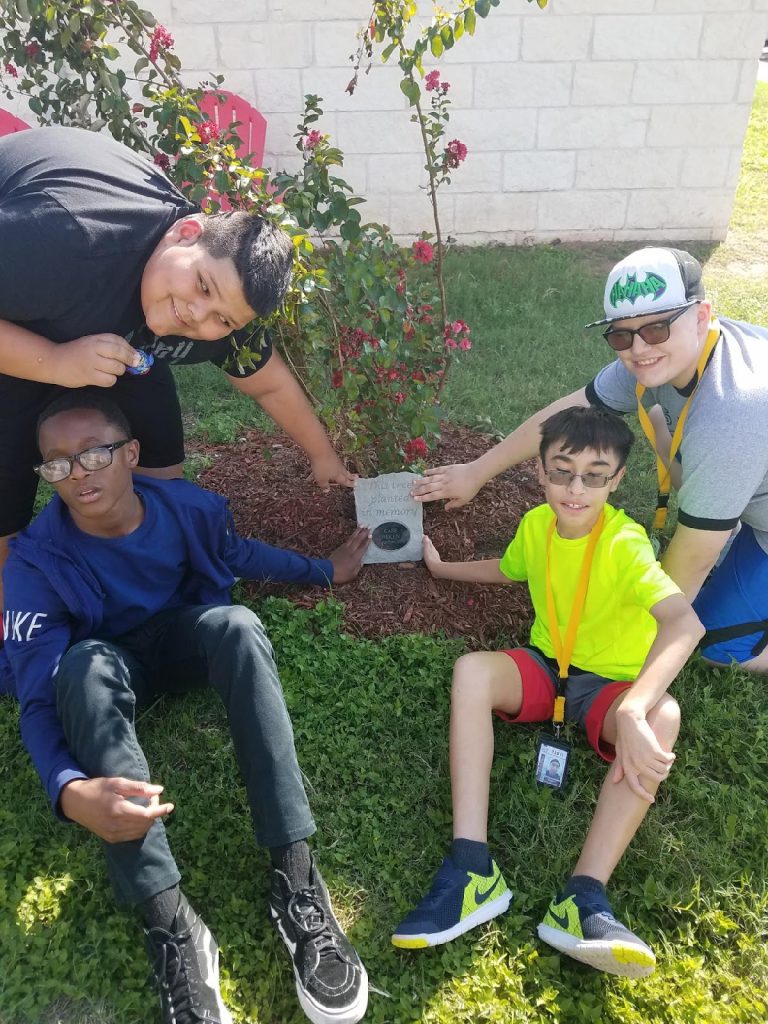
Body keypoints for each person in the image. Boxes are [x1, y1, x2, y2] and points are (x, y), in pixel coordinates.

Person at [1, 392, 371, 1024]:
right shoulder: (35, 564)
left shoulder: (190, 509)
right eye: (57, 464)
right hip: (107, 666)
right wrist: (69, 791)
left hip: (179, 642)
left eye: (93, 453)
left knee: (238, 626)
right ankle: (171, 921)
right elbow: (39, 699)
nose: (78, 473)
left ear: (132, 453)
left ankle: (297, 876)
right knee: (85, 669)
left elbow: (237, 554)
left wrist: (323, 570)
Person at [392, 406, 703, 977]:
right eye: (561, 471)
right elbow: (512, 570)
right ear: (539, 472)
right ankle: (472, 869)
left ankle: (582, 898)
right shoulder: (536, 525)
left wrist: (634, 708)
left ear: (616, 480)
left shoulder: (626, 544)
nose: (575, 488)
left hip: (611, 688)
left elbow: (685, 625)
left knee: (665, 716)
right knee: (473, 671)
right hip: (547, 668)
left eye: (594, 474)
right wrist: (445, 570)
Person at [0, 125, 355, 616]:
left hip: (102, 321)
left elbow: (269, 383)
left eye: (222, 319)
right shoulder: (71, 239)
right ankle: (15, 611)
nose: (197, 316)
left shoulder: (224, 309)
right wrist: (54, 362)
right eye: (203, 287)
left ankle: (145, 573)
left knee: (161, 477)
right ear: (187, 232)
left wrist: (323, 456)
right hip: (22, 289)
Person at [411, 248, 768, 672]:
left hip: (754, 505)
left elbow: (688, 567)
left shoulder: (732, 411)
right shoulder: (655, 359)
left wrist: (616, 634)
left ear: (701, 316)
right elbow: (564, 415)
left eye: (656, 329)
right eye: (621, 335)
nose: (637, 349)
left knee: (712, 646)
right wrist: (476, 472)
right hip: (748, 494)